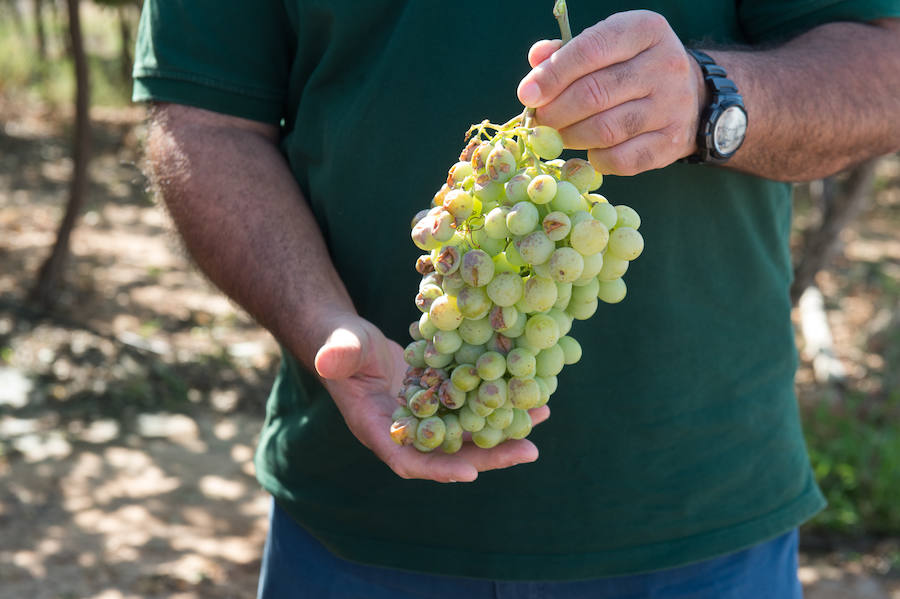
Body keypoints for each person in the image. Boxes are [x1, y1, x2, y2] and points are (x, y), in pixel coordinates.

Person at [133, 1, 900, 597]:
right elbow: (205, 115)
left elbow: (880, 65)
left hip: (703, 528)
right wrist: (320, 322)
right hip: (355, 524)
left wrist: (714, 97)